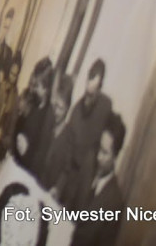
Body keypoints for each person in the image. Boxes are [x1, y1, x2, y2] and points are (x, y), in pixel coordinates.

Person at [58, 59, 113, 210]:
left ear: (100, 84)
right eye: (90, 77)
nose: (90, 82)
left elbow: (107, 143)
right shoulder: (76, 111)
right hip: (69, 180)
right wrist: (59, 186)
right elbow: (67, 153)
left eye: (95, 79)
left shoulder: (105, 107)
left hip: (87, 181)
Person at [71, 112, 126, 246]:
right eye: (99, 149)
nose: (98, 157)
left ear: (115, 156)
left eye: (105, 153)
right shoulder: (88, 171)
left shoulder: (115, 203)